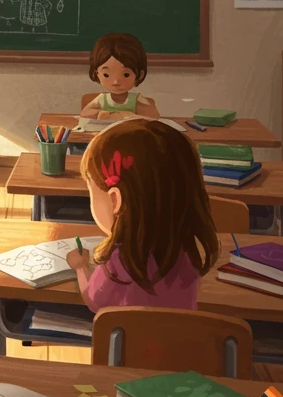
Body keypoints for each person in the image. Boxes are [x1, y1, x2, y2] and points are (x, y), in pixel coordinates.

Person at [67, 118, 219, 311]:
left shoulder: (118, 260)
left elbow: (94, 301)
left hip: (124, 332)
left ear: (115, 200)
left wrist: (81, 267)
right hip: (178, 332)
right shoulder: (188, 254)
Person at [81, 32, 160, 119]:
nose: (116, 82)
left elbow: (154, 117)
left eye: (126, 75)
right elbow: (85, 113)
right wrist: (107, 114)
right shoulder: (102, 99)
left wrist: (128, 115)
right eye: (106, 75)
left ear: (139, 75)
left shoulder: (136, 99)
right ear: (96, 74)